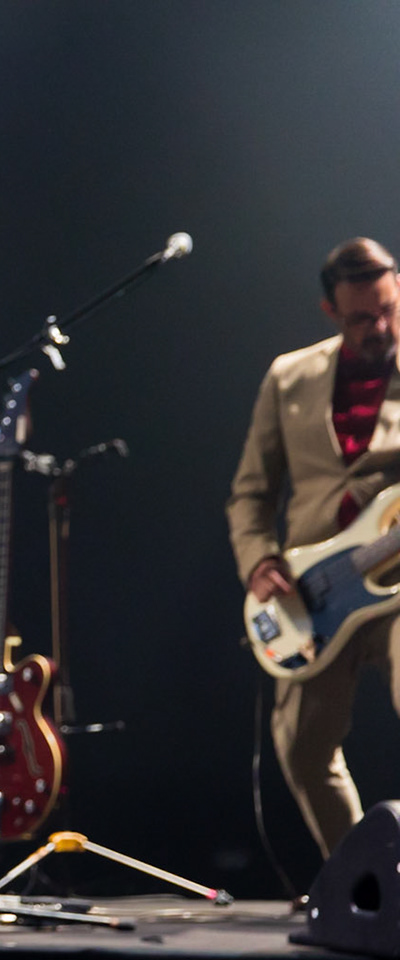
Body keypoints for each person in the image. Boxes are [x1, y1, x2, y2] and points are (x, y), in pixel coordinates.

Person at [229, 237, 400, 858]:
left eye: (388, 309)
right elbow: (249, 495)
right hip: (315, 592)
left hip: (398, 583)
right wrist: (259, 562)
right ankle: (367, 881)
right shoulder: (289, 376)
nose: (380, 326)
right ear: (330, 310)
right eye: (362, 317)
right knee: (302, 748)